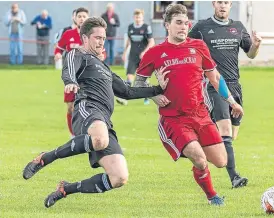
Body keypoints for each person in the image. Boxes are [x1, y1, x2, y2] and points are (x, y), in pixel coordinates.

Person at [22, 17, 169, 208]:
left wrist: (158, 89)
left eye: (104, 38)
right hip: (87, 109)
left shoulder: (105, 68)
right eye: (97, 37)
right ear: (85, 38)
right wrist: (70, 82)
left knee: (119, 178)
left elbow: (127, 92)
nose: (101, 42)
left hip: (104, 121)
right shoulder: (78, 54)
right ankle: (45, 158)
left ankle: (66, 189)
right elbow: (69, 70)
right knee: (100, 139)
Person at [134, 4, 243, 205]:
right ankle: (213, 197)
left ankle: (190, 148)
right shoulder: (155, 53)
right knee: (200, 160)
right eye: (178, 23)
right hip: (174, 118)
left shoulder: (199, 47)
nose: (183, 27)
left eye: (186, 23)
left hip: (201, 115)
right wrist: (156, 94)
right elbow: (138, 82)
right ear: (167, 25)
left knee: (221, 161)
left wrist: (232, 102)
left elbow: (215, 78)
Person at [188, 1, 262, 188]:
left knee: (230, 137)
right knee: (226, 131)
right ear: (214, 4)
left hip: (235, 86)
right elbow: (186, 48)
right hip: (214, 85)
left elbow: (251, 54)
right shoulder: (201, 27)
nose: (223, 6)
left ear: (230, 5)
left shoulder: (237, 27)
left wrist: (256, 45)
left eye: (226, 2)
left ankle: (198, 147)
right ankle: (234, 177)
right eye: (219, 2)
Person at [54, 7, 89, 138]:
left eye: (84, 16)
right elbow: (59, 48)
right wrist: (57, 54)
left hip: (87, 76)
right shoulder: (68, 34)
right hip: (71, 75)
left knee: (87, 107)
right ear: (75, 18)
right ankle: (73, 135)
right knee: (70, 107)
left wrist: (102, 55)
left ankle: (87, 133)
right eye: (79, 16)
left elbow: (102, 51)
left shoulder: (91, 35)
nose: (81, 18)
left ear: (88, 18)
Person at [118, 9, 155, 106]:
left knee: (143, 79)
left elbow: (152, 42)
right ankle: (125, 97)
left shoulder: (146, 27)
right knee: (129, 76)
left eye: (139, 17)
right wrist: (125, 52)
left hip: (144, 57)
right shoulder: (130, 27)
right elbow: (129, 41)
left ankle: (146, 97)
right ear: (134, 17)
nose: (137, 19)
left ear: (142, 17)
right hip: (133, 56)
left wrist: (144, 52)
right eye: (136, 17)